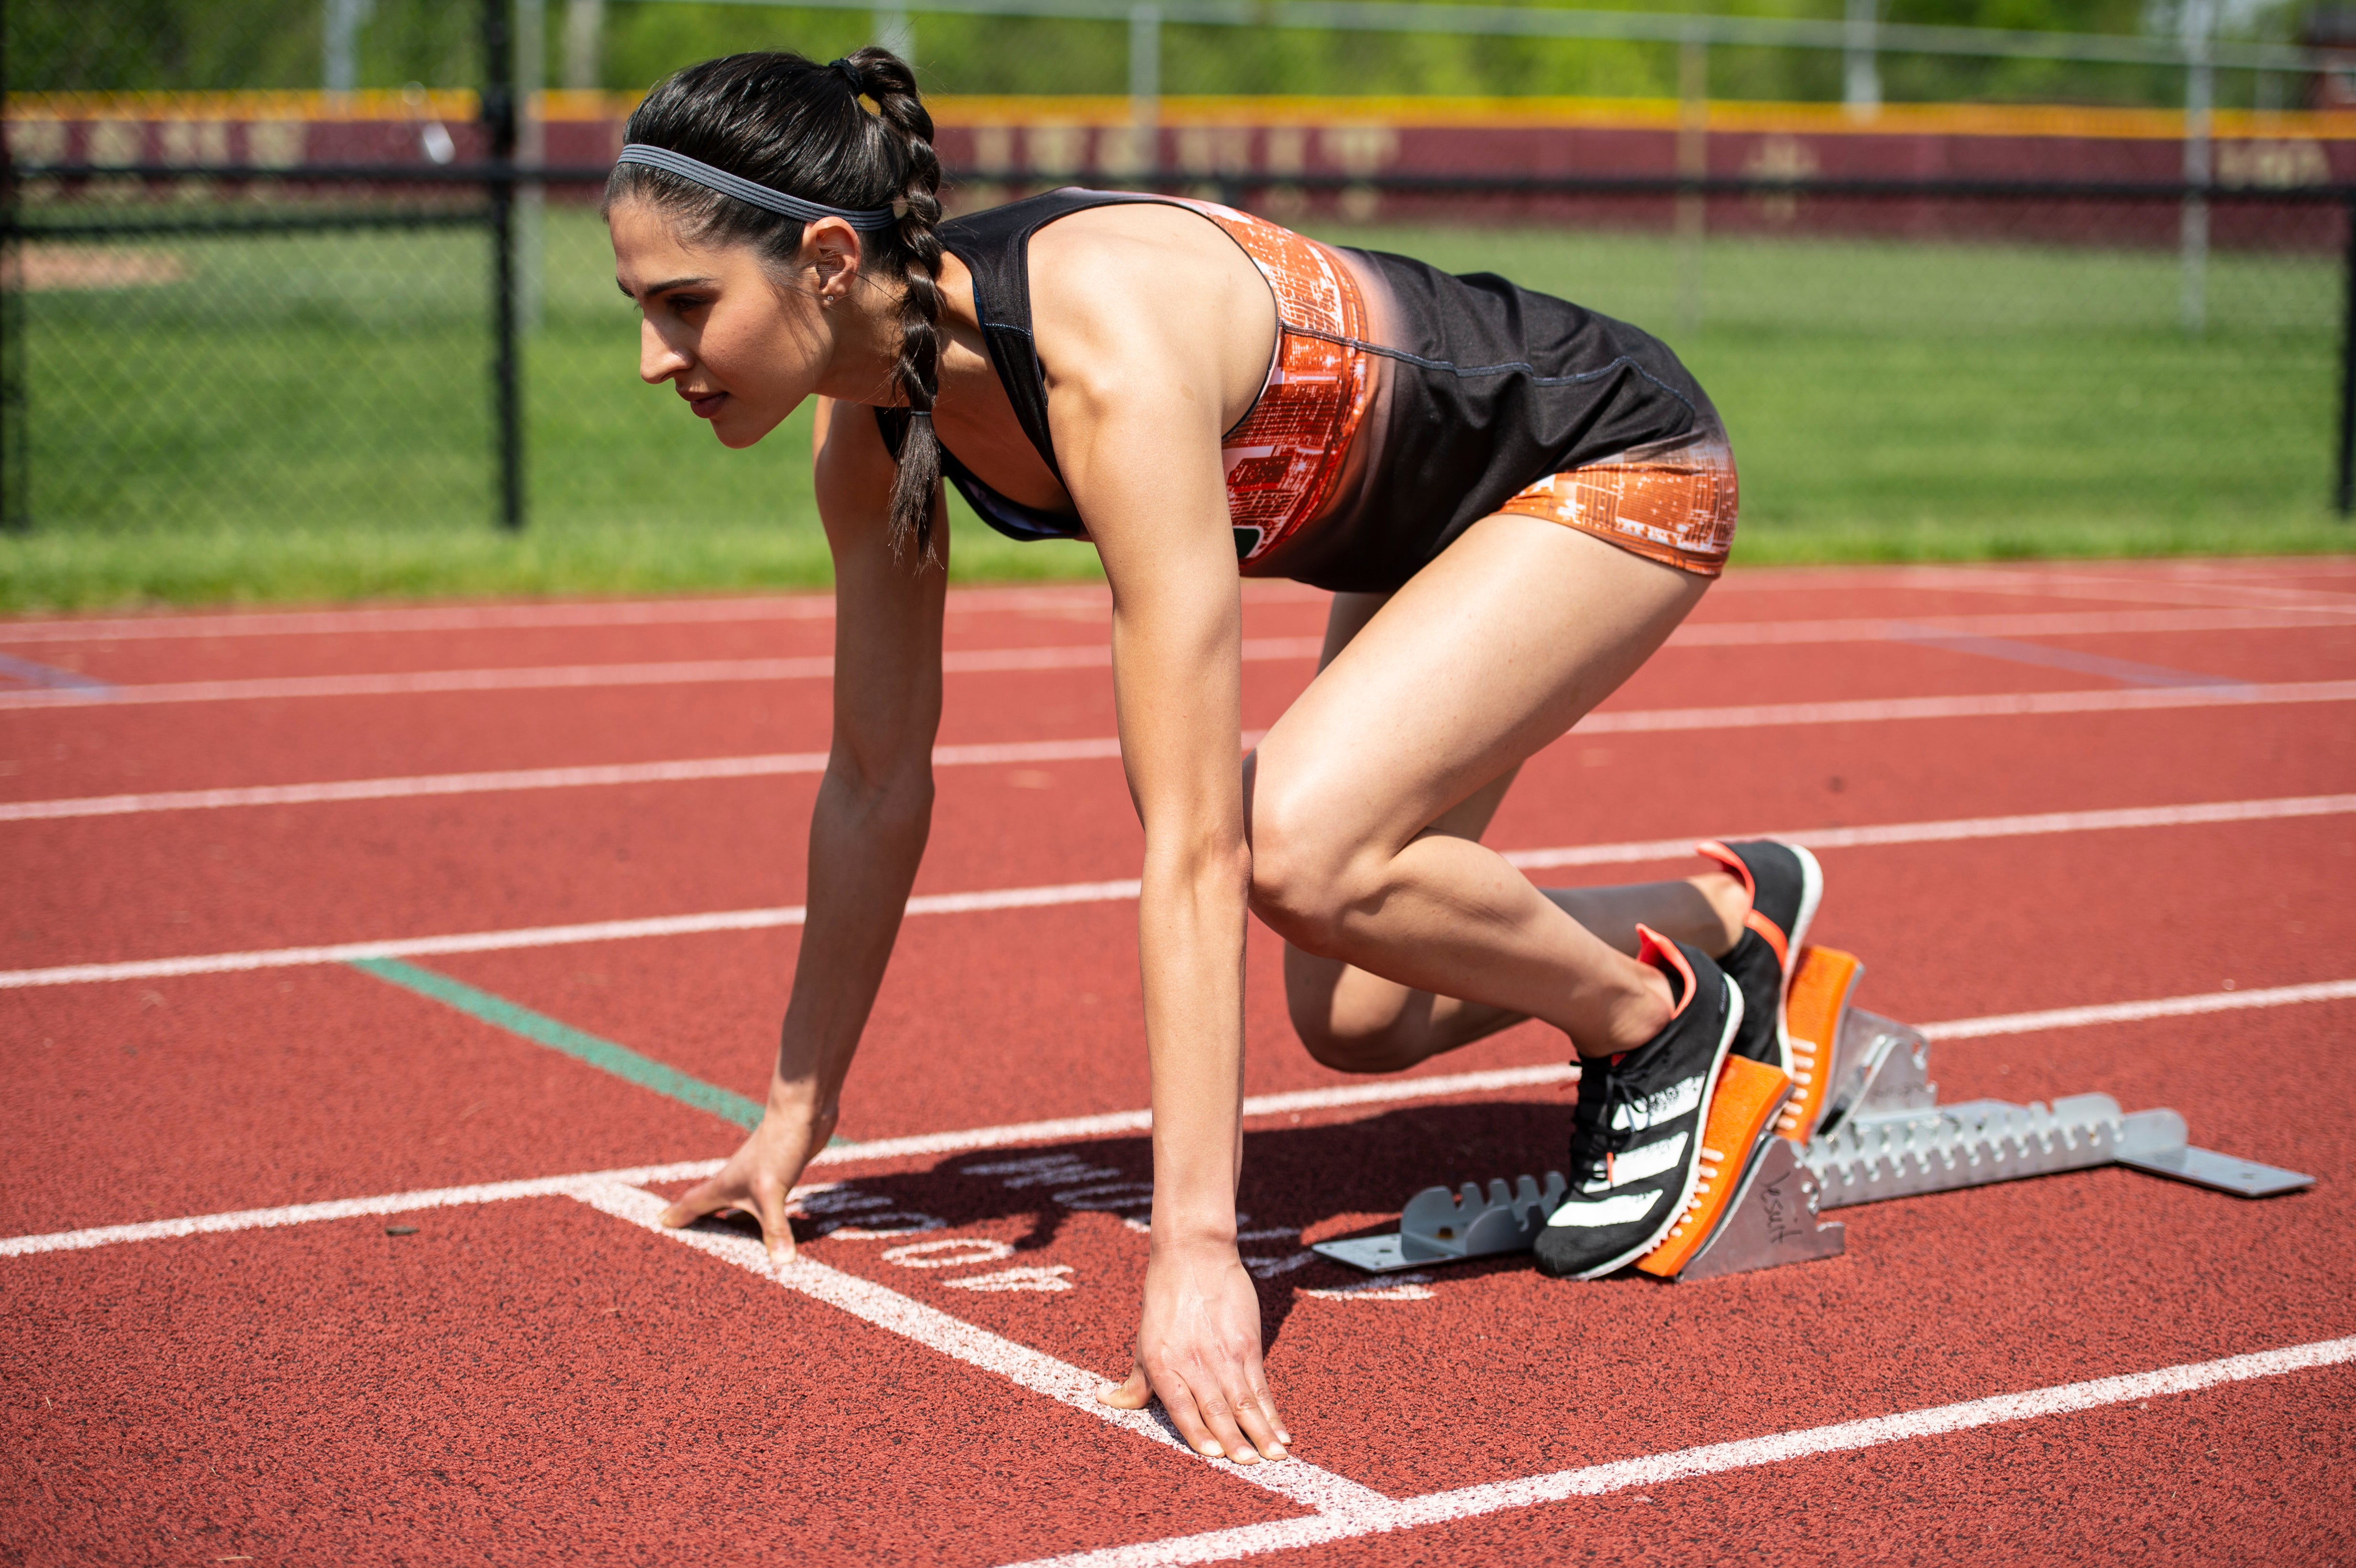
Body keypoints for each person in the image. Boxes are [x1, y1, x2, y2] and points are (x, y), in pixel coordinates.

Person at [607, 47, 1825, 1466]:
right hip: (1435, 528)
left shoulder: (1099, 354)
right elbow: (876, 778)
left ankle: (1654, 1025)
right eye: (638, 310)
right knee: (1360, 1020)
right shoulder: (874, 431)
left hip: (1611, 459)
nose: (653, 359)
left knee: (1301, 848)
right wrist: (791, 1118)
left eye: (686, 306)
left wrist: (1195, 1251)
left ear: (825, 257)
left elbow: (1195, 840)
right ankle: (1727, 928)